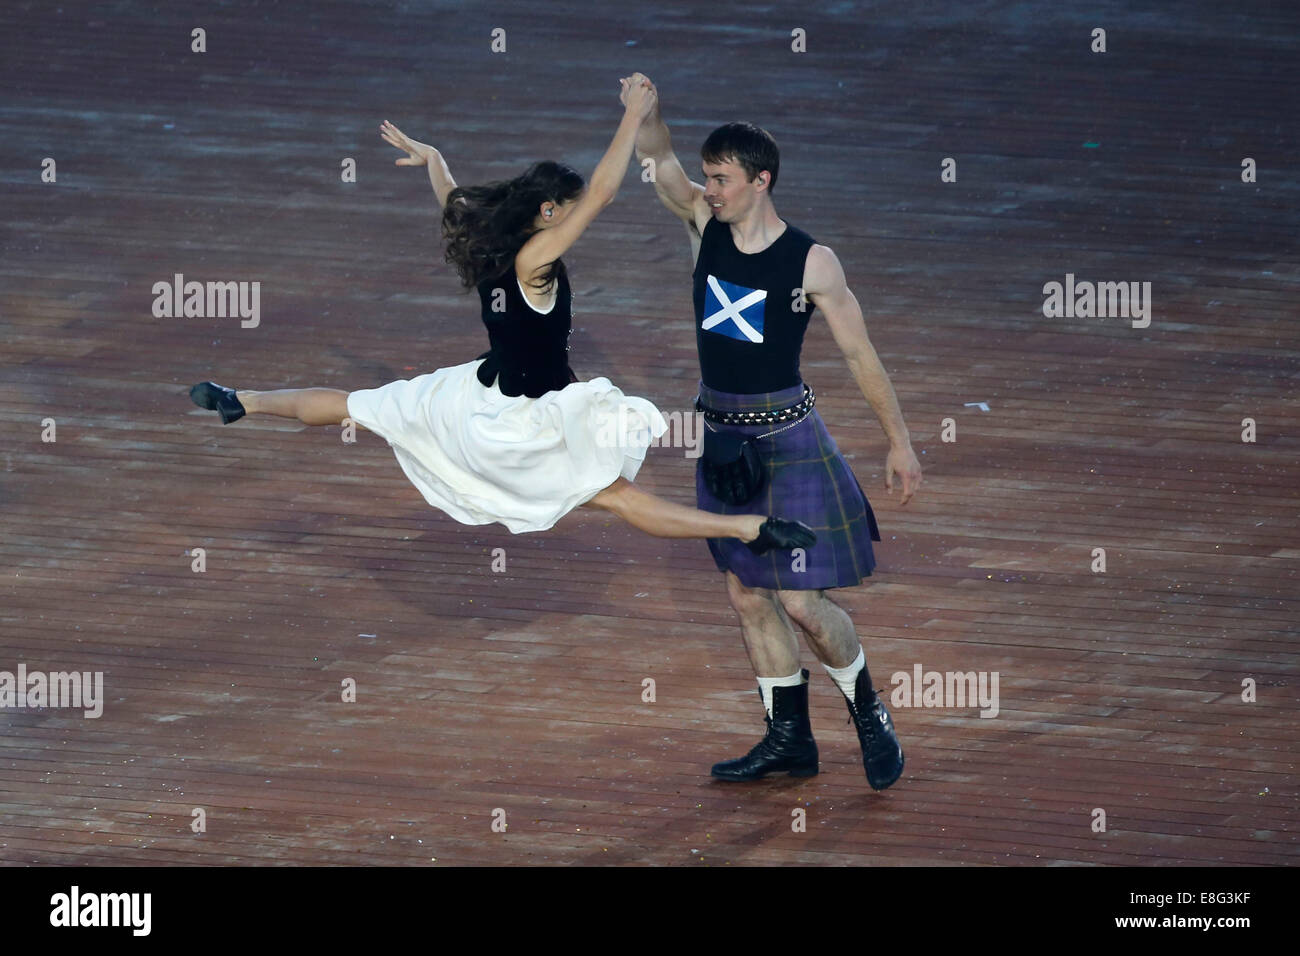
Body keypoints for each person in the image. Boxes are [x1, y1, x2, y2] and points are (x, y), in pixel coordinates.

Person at [189, 89, 817, 558]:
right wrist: (631, 116)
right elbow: (600, 193)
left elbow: (452, 195)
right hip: (527, 419)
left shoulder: (486, 239)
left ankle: (241, 400)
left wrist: (435, 158)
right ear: (547, 212)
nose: (574, 223)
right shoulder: (532, 260)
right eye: (563, 214)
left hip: (472, 397)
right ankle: (747, 528)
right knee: (618, 498)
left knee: (356, 405)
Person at [625, 73, 923, 790]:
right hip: (723, 439)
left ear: (761, 181)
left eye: (722, 180)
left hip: (790, 443)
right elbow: (657, 159)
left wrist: (901, 440)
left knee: (800, 601)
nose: (709, 189)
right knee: (746, 595)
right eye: (707, 178)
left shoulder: (810, 261)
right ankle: (788, 740)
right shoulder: (701, 225)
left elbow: (859, 352)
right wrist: (650, 111)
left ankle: (868, 713)